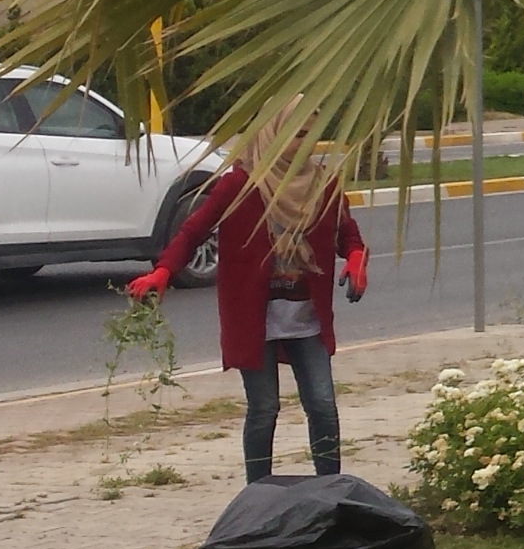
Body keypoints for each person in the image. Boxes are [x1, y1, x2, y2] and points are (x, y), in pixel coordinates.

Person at [128, 127, 369, 483]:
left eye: (309, 133)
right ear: (271, 134)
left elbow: (345, 231)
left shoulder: (324, 185)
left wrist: (355, 257)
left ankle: (330, 488)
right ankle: (258, 493)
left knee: (322, 405)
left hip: (306, 319)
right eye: (295, 132)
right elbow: (193, 231)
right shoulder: (239, 184)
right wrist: (163, 272)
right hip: (254, 321)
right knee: (264, 408)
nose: (303, 142)